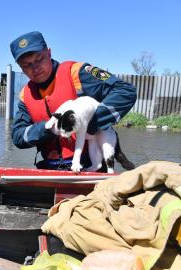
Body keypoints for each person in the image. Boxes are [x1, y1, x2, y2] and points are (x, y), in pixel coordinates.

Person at [10, 31, 136, 170]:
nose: (35, 68)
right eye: (27, 65)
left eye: (39, 59)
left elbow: (125, 91)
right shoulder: (24, 95)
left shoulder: (77, 72)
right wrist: (49, 129)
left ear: (49, 53)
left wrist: (91, 123)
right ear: (21, 67)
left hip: (89, 165)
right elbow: (18, 136)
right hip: (50, 169)